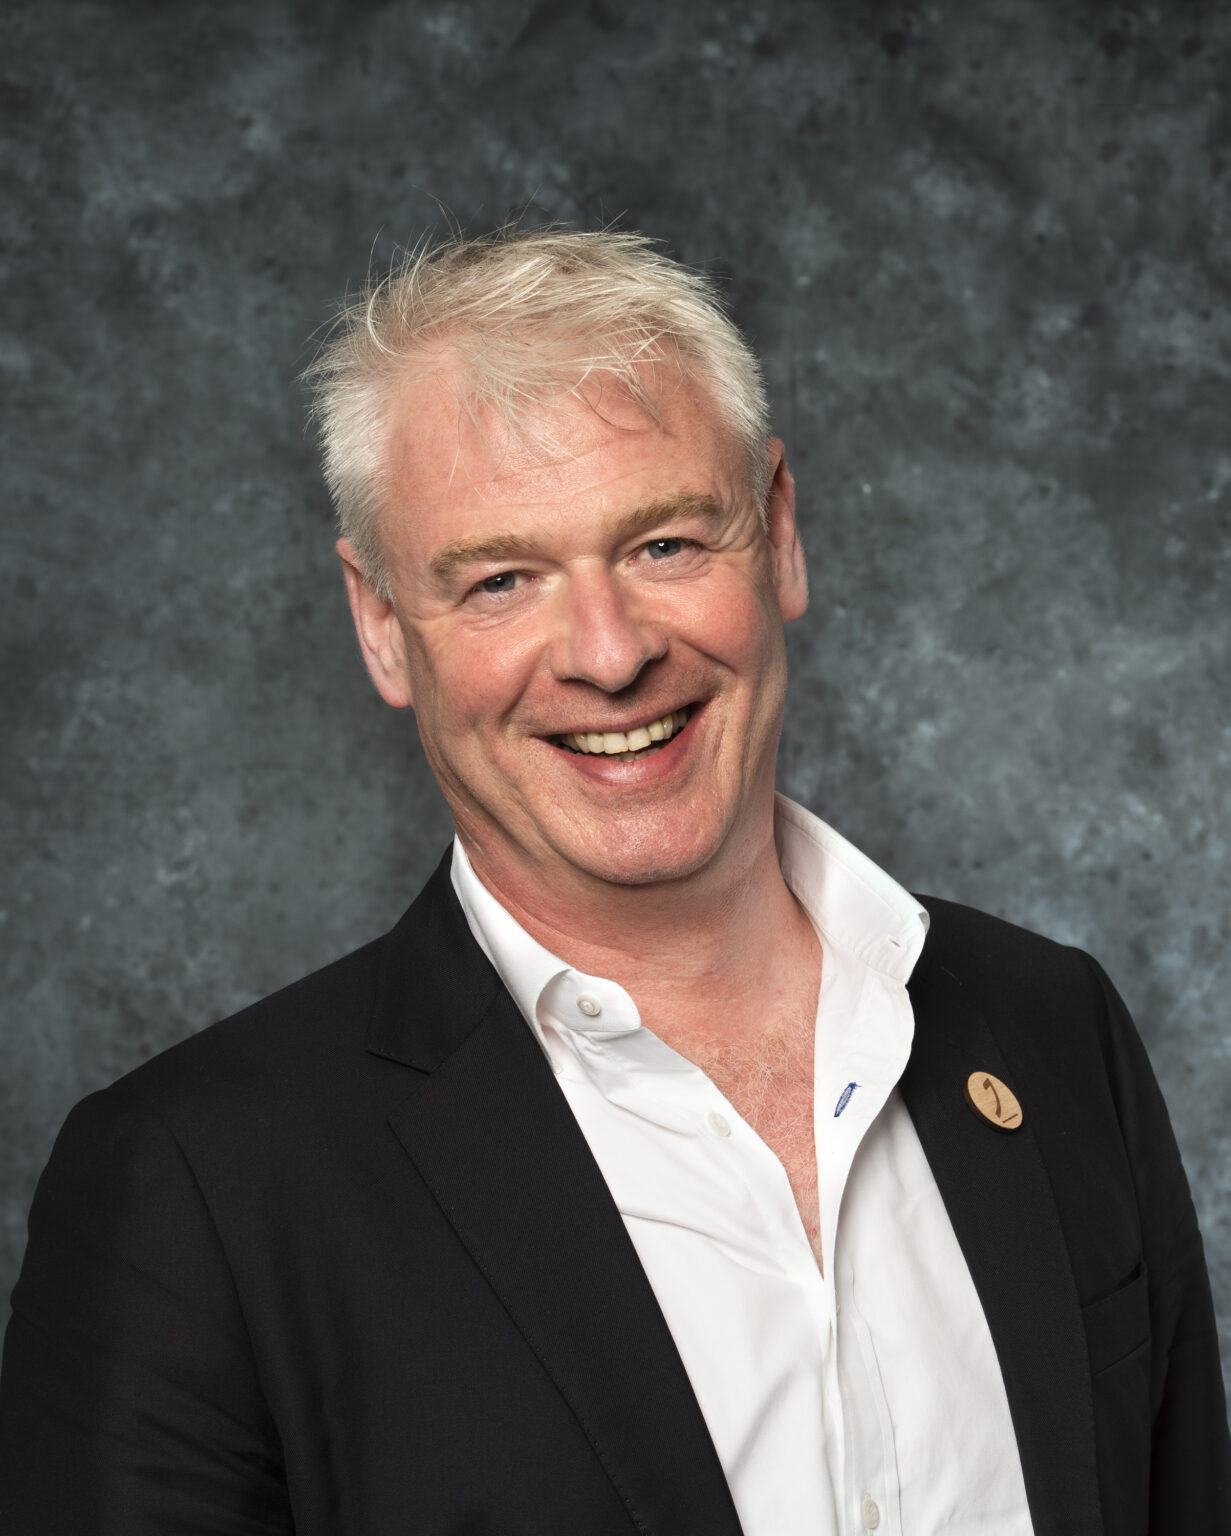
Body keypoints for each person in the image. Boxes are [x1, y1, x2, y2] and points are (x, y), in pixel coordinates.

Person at [0, 228, 1227, 1536]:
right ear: (382, 624)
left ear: (779, 534)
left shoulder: (1052, 1032)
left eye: (666, 545)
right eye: (501, 579)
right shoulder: (197, 1192)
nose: (607, 653)